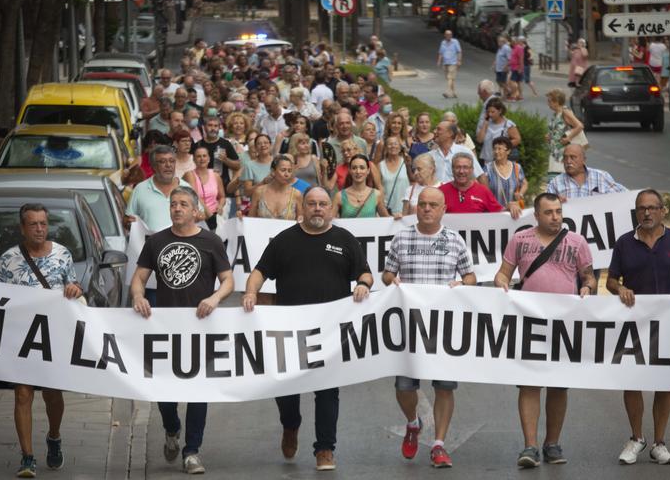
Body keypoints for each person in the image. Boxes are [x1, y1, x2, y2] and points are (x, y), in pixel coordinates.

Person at [242, 186, 374, 472]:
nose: (317, 208)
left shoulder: (344, 239)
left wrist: (363, 284)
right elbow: (259, 272)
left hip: (330, 331)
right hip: (289, 330)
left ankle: (325, 449)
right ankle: (290, 426)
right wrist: (251, 292)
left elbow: (365, 272)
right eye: (311, 203)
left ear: (331, 209)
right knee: (287, 389)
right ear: (302, 208)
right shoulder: (284, 240)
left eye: (322, 204)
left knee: (327, 391)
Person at [130, 187, 234, 475]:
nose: (176, 208)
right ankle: (172, 428)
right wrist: (138, 296)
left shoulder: (211, 241)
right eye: (173, 204)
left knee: (199, 389)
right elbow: (139, 278)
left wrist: (214, 298)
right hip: (166, 329)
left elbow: (228, 281)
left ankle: (192, 452)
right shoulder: (157, 241)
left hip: (201, 328)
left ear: (195, 211)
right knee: (165, 392)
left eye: (183, 204)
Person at [494, 192, 597, 468]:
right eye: (549, 212)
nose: (555, 217)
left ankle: (552, 444)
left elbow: (589, 275)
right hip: (530, 320)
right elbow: (504, 272)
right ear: (536, 215)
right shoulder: (520, 239)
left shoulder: (576, 241)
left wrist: (588, 286)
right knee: (529, 383)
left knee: (558, 384)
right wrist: (502, 282)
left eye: (558, 212)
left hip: (564, 322)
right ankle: (530, 446)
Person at [607, 189, 670, 466]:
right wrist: (620, 288)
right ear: (636, 212)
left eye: (652, 207)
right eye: (641, 208)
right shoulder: (625, 243)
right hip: (634, 324)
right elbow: (611, 280)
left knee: (664, 383)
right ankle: (637, 439)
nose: (647, 213)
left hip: (669, 323)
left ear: (663, 211)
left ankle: (659, 444)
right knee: (632, 381)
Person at [382, 187, 476, 468]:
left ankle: (439, 445)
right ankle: (413, 422)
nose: (426, 209)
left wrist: (462, 284)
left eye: (432, 205)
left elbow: (470, 276)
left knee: (444, 387)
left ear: (443, 209)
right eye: (422, 204)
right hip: (409, 328)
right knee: (403, 386)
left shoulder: (454, 240)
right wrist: (391, 281)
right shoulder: (402, 238)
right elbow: (387, 273)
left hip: (443, 327)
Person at [0, 203, 83, 478]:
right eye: (34, 224)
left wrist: (74, 289)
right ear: (22, 228)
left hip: (53, 335)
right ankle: (27, 457)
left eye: (43, 223)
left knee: (53, 395)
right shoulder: (9, 259)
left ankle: (53, 437)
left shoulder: (62, 254)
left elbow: (75, 290)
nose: (40, 229)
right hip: (20, 336)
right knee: (23, 393)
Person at [127, 145, 203, 232]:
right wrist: (129, 223)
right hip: (152, 243)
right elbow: (127, 220)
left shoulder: (186, 189)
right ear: (153, 166)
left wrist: (198, 216)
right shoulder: (140, 189)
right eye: (162, 162)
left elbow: (199, 214)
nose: (168, 165)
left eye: (172, 161)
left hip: (180, 243)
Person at [546, 144, 626, 201]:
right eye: (565, 158)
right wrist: (555, 202)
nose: (568, 161)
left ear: (583, 160)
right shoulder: (555, 183)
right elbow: (545, 205)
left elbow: (625, 196)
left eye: (573, 157)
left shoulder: (601, 177)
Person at [439, 153, 506, 215]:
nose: (461, 171)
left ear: (472, 170)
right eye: (457, 167)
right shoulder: (441, 192)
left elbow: (499, 213)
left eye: (465, 167)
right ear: (452, 170)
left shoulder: (483, 191)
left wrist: (510, 207)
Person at [182, 145, 226, 231]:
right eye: (198, 156)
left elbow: (222, 197)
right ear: (194, 159)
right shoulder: (189, 175)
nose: (202, 159)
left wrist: (220, 206)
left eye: (204, 156)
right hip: (198, 216)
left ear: (209, 158)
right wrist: (209, 215)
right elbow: (195, 196)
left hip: (215, 216)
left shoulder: (216, 175)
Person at [334, 153, 391, 218]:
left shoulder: (376, 195)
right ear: (349, 170)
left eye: (362, 168)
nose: (358, 171)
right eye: (354, 168)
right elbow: (330, 222)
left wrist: (397, 218)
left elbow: (387, 219)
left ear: (368, 171)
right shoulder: (339, 196)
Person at [545, 89, 585, 176]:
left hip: (563, 151)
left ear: (556, 102)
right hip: (555, 150)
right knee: (554, 175)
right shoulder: (556, 114)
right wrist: (549, 135)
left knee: (559, 175)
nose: (548, 103)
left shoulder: (565, 112)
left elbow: (580, 126)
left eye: (550, 101)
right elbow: (558, 129)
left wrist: (569, 138)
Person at [249, 155, 302, 219]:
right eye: (283, 170)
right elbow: (250, 219)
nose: (286, 174)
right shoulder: (259, 192)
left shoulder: (296, 194)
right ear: (273, 171)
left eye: (289, 171)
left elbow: (301, 222)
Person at [484, 136, 527, 212]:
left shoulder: (516, 167)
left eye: (499, 149)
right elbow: (483, 189)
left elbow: (525, 183)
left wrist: (520, 194)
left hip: (514, 212)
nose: (496, 151)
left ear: (508, 151)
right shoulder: (488, 168)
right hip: (495, 212)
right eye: (494, 149)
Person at [477, 98, 522, 163]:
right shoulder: (487, 123)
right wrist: (485, 124)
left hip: (502, 161)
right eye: (488, 112)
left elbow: (517, 139)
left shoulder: (508, 124)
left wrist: (503, 146)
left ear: (500, 111)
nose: (490, 114)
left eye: (493, 112)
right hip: (487, 160)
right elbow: (479, 140)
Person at [379, 135, 411, 216]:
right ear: (385, 147)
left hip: (405, 209)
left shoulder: (406, 162)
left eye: (396, 144)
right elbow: (379, 188)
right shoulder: (380, 165)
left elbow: (413, 181)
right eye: (390, 144)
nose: (393, 146)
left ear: (400, 147)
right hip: (387, 210)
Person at [437, 30, 462, 98]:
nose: (449, 36)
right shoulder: (443, 43)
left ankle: (447, 92)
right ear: (445, 35)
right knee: (450, 79)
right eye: (447, 35)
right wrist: (439, 61)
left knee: (450, 77)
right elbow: (441, 53)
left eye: (450, 34)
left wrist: (459, 60)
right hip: (445, 63)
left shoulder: (455, 42)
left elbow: (459, 52)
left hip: (453, 63)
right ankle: (454, 93)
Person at [507, 37, 525, 101]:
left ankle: (514, 95)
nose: (511, 42)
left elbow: (521, 59)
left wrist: (520, 68)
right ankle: (520, 96)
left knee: (512, 82)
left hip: (516, 68)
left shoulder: (519, 48)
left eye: (513, 41)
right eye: (511, 41)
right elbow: (513, 58)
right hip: (514, 67)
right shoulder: (514, 48)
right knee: (518, 82)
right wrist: (508, 64)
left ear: (516, 41)